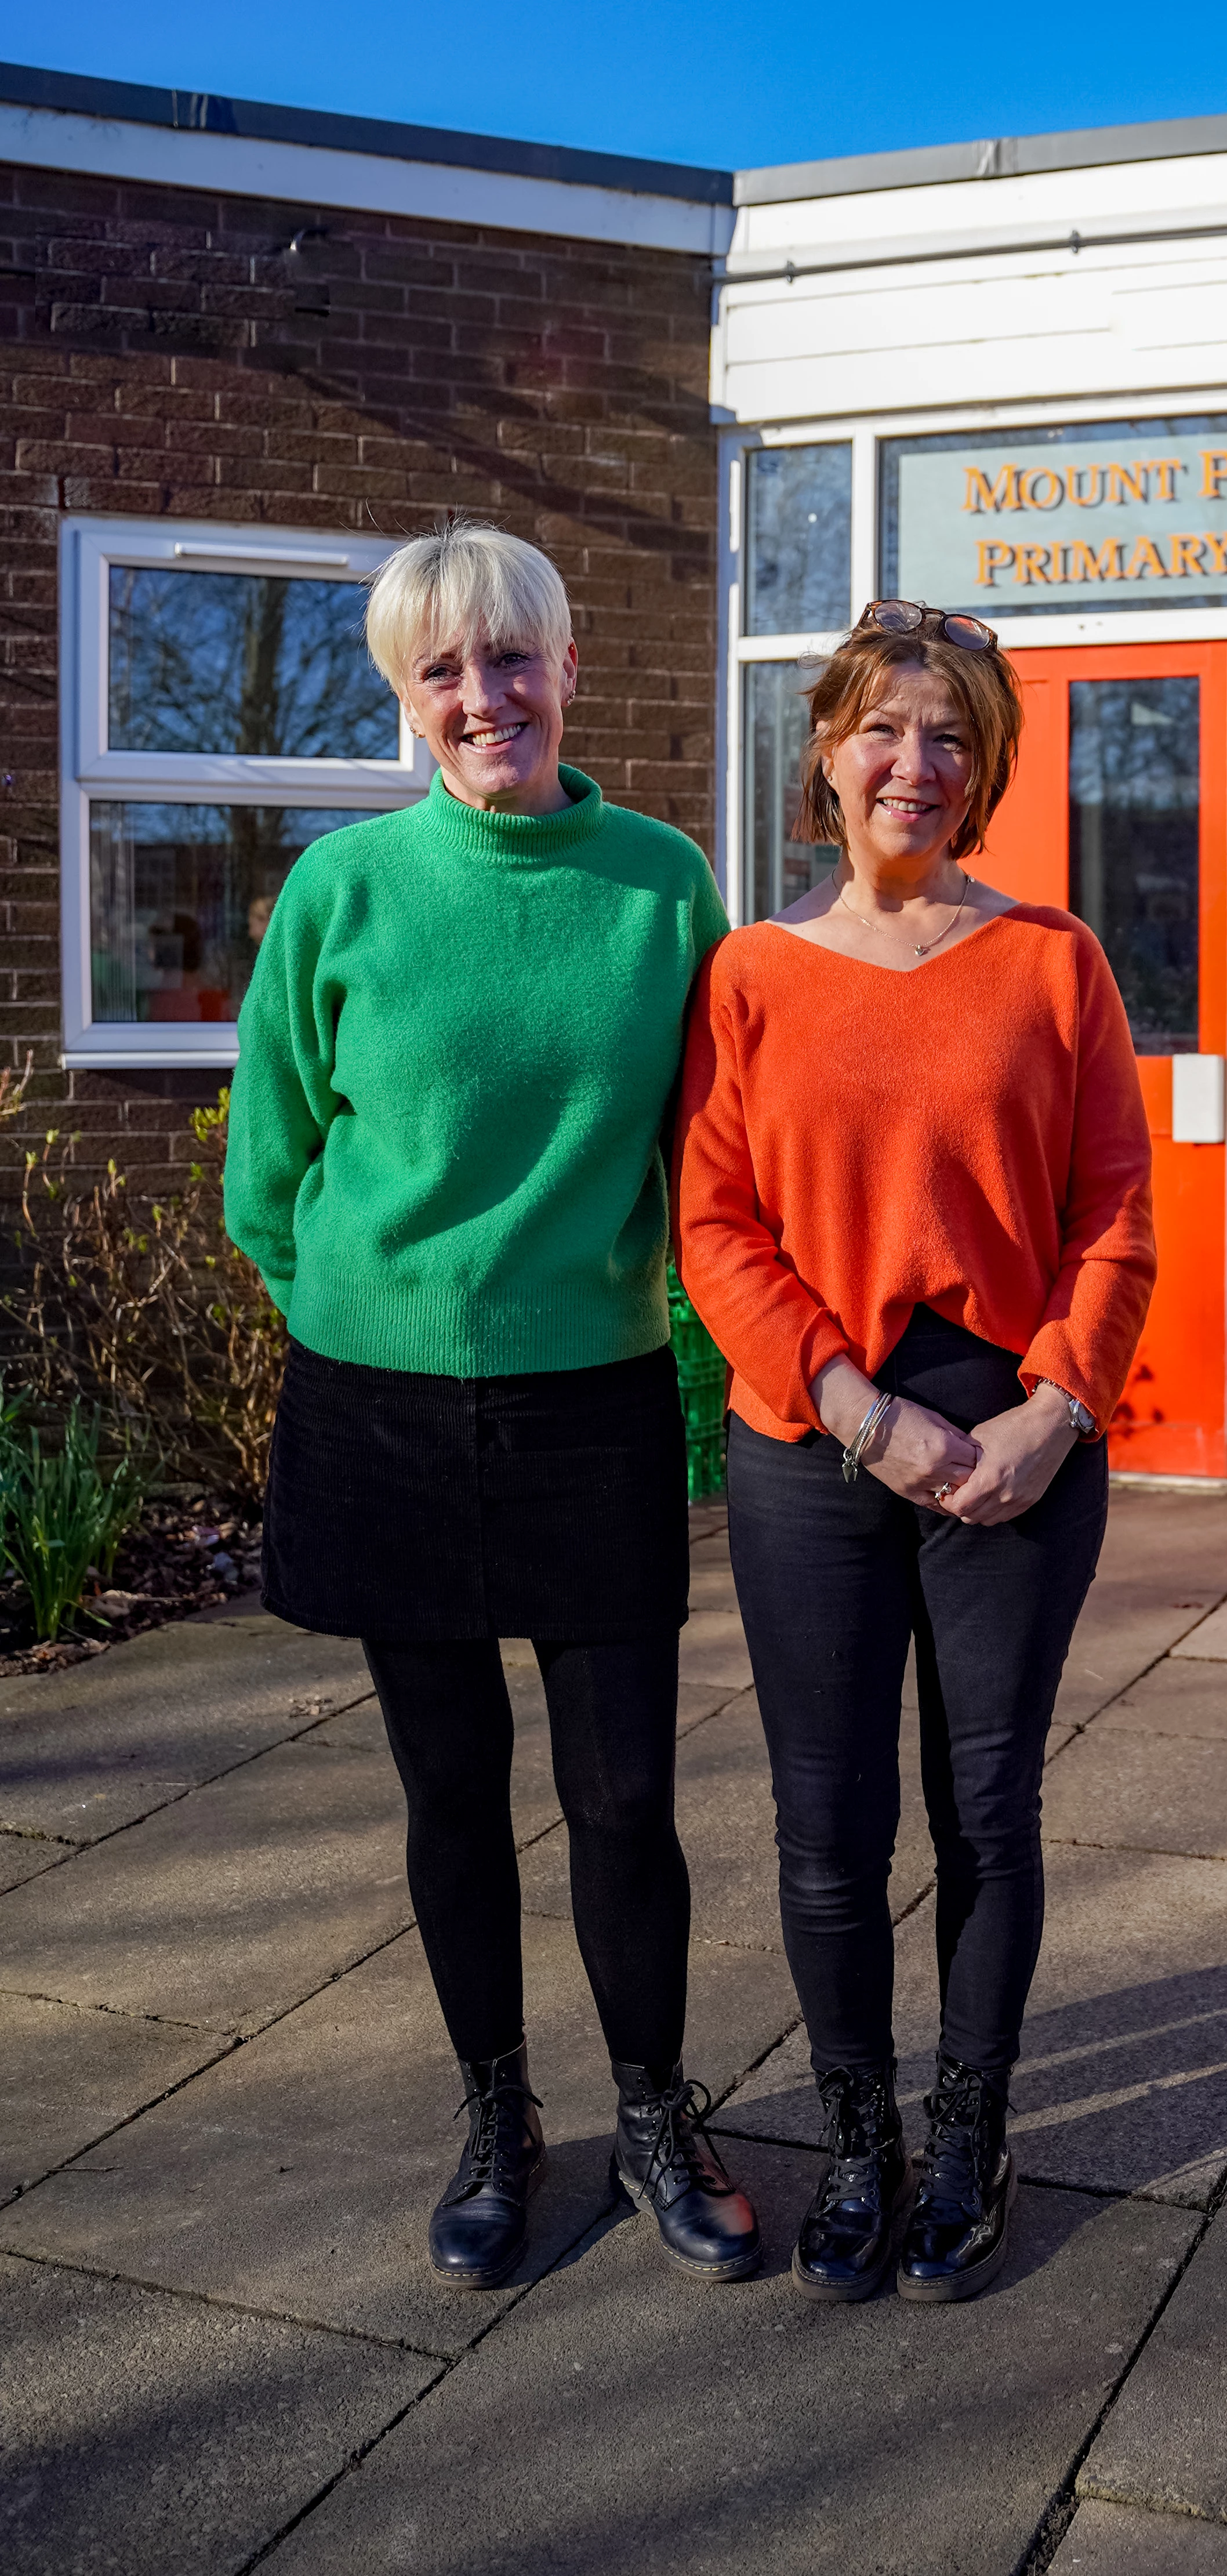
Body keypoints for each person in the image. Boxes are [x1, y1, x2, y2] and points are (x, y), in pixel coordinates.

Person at [224, 522, 760, 2292]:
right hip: (378, 1407)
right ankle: (497, 2113)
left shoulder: (662, 882)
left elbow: (717, 1149)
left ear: (569, 669)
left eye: (510, 659)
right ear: (405, 697)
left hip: (587, 1400)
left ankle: (661, 2112)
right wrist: (357, 1313)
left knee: (622, 1802)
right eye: (442, 670)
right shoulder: (345, 889)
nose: (483, 697)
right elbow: (270, 1155)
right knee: (449, 1790)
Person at [675, 600, 1155, 2306]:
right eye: (883, 728)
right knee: (825, 1823)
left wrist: (1059, 1406)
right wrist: (853, 1409)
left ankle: (972, 2135)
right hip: (818, 1441)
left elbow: (1113, 1213)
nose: (914, 762)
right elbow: (716, 1228)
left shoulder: (1053, 962)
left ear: (986, 767)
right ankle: (858, 2140)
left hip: (1015, 1444)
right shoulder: (749, 972)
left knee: (987, 1811)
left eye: (950, 735)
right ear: (828, 750)